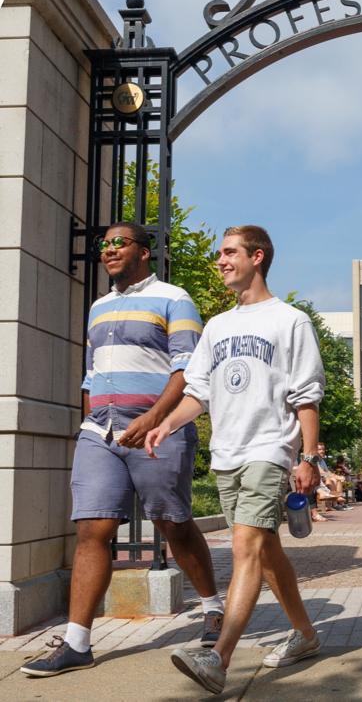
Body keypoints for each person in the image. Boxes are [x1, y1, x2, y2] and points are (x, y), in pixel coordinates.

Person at [21, 222, 223, 679]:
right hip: (101, 432)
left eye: (120, 243)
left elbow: (187, 371)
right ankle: (77, 642)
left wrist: (153, 419)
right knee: (93, 527)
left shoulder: (175, 298)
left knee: (172, 522)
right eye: (104, 245)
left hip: (158, 430)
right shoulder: (98, 307)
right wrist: (94, 414)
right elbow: (92, 373)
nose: (109, 250)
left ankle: (213, 607)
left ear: (144, 252)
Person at [144, 225, 324, 696]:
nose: (220, 261)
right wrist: (169, 423)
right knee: (266, 555)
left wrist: (308, 458)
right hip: (227, 453)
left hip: (269, 449)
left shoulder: (290, 321)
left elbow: (307, 397)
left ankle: (217, 658)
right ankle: (305, 635)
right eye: (220, 253)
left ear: (257, 257)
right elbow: (198, 392)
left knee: (245, 547)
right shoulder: (218, 326)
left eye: (229, 253)